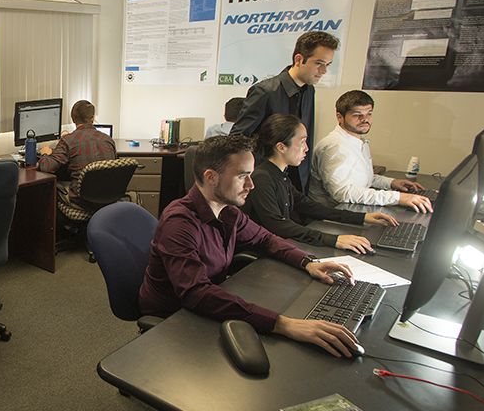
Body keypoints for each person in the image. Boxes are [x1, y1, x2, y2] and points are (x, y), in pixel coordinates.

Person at [139, 135, 362, 357]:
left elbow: (266, 239)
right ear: (211, 177)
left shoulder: (228, 211)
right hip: (176, 317)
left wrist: (307, 261)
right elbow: (195, 293)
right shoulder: (180, 222)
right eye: (243, 176)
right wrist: (283, 325)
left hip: (207, 302)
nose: (251, 185)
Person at [242, 114, 398, 254]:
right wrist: (333, 240)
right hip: (262, 253)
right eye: (302, 142)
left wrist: (362, 218)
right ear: (281, 147)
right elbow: (277, 225)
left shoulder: (280, 175)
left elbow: (310, 206)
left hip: (279, 246)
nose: (307, 148)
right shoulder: (262, 178)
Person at [231, 31, 339, 193]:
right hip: (265, 181)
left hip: (297, 180)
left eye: (327, 65)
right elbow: (238, 139)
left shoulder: (309, 90)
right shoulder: (265, 91)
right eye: (319, 63)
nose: (323, 71)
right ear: (299, 59)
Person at [308, 90, 432, 213]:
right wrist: (397, 198)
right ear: (339, 117)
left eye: (369, 114)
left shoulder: (357, 140)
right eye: (357, 115)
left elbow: (363, 180)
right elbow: (343, 193)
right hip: (332, 215)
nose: (365, 119)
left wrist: (392, 183)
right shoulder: (335, 147)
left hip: (351, 209)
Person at [36, 100, 116, 209]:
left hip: (82, 202)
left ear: (73, 119)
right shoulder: (108, 140)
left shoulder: (69, 141)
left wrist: (46, 154)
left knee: (51, 189)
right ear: (92, 118)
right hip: (108, 200)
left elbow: (46, 167)